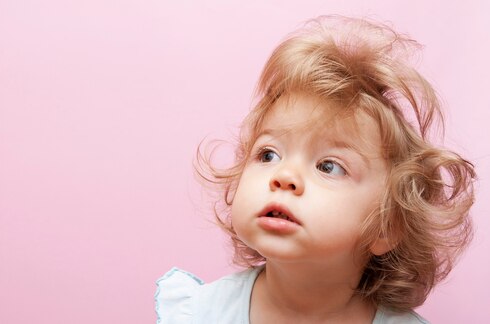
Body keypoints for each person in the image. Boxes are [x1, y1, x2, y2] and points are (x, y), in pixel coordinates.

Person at [155, 15, 476, 324]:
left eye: (328, 166)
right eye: (268, 155)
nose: (284, 177)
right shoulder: (198, 314)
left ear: (385, 227)